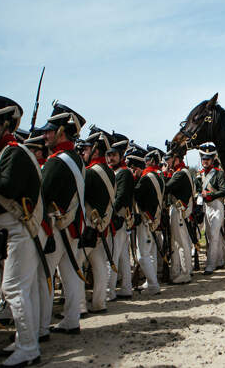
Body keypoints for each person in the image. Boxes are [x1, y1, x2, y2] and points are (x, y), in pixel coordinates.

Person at [0, 94, 45, 367]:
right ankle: (27, 340)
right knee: (26, 289)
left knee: (13, 288)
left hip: (18, 229)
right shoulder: (5, 153)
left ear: (5, 125)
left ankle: (27, 347)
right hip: (11, 229)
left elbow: (4, 187)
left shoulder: (14, 153)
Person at [38, 102, 87, 337]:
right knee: (70, 274)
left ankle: (38, 328)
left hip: (56, 228)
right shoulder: (75, 158)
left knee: (43, 276)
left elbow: (40, 192)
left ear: (61, 131)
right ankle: (71, 319)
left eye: (49, 130)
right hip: (72, 227)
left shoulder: (58, 161)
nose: (45, 134)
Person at [80, 126, 116, 313]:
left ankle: (78, 307)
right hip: (102, 224)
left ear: (95, 150)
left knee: (77, 265)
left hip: (88, 225)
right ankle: (99, 302)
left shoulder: (91, 172)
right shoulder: (109, 171)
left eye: (86, 149)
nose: (83, 152)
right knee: (100, 265)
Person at [133, 145, 166, 295]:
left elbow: (137, 195)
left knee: (142, 255)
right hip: (154, 218)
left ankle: (153, 285)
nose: (144, 162)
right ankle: (150, 282)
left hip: (146, 218)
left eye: (147, 160)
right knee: (151, 253)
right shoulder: (158, 177)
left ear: (152, 160)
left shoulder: (147, 178)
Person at [106, 132, 134, 301]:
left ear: (120, 155)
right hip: (121, 219)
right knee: (123, 256)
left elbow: (121, 197)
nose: (110, 158)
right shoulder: (118, 172)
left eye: (114, 155)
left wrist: (109, 213)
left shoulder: (123, 173)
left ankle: (109, 291)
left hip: (118, 218)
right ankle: (126, 288)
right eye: (108, 155)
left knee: (113, 255)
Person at [164, 142, 195, 284]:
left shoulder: (180, 174)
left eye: (168, 159)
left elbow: (166, 187)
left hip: (179, 210)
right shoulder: (180, 172)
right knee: (178, 243)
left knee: (182, 243)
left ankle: (186, 272)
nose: (166, 162)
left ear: (176, 159)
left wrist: (163, 173)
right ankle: (179, 271)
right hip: (178, 210)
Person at [196, 143, 225, 275]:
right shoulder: (200, 174)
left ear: (213, 158)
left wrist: (209, 194)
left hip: (217, 206)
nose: (205, 161)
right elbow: (198, 191)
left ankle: (210, 264)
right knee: (210, 235)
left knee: (214, 235)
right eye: (203, 158)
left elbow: (224, 191)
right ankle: (221, 259)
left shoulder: (219, 173)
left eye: (208, 158)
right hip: (206, 207)